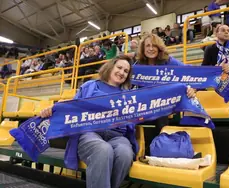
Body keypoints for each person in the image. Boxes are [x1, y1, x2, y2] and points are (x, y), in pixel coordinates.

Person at [40, 55, 196, 188]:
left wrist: (185, 91)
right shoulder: (90, 86)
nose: (122, 72)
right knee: (103, 150)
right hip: (91, 133)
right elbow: (71, 107)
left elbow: (159, 100)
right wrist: (51, 109)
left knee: (124, 153)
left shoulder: (130, 95)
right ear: (111, 66)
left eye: (126, 71)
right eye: (119, 68)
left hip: (117, 135)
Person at [134, 34, 194, 134]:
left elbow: (189, 71)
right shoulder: (138, 65)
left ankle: (163, 143)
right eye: (148, 46)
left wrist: (192, 88)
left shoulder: (168, 61)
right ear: (143, 49)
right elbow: (126, 83)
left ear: (159, 48)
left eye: (154, 46)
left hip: (164, 104)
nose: (151, 49)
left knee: (161, 112)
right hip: (144, 105)